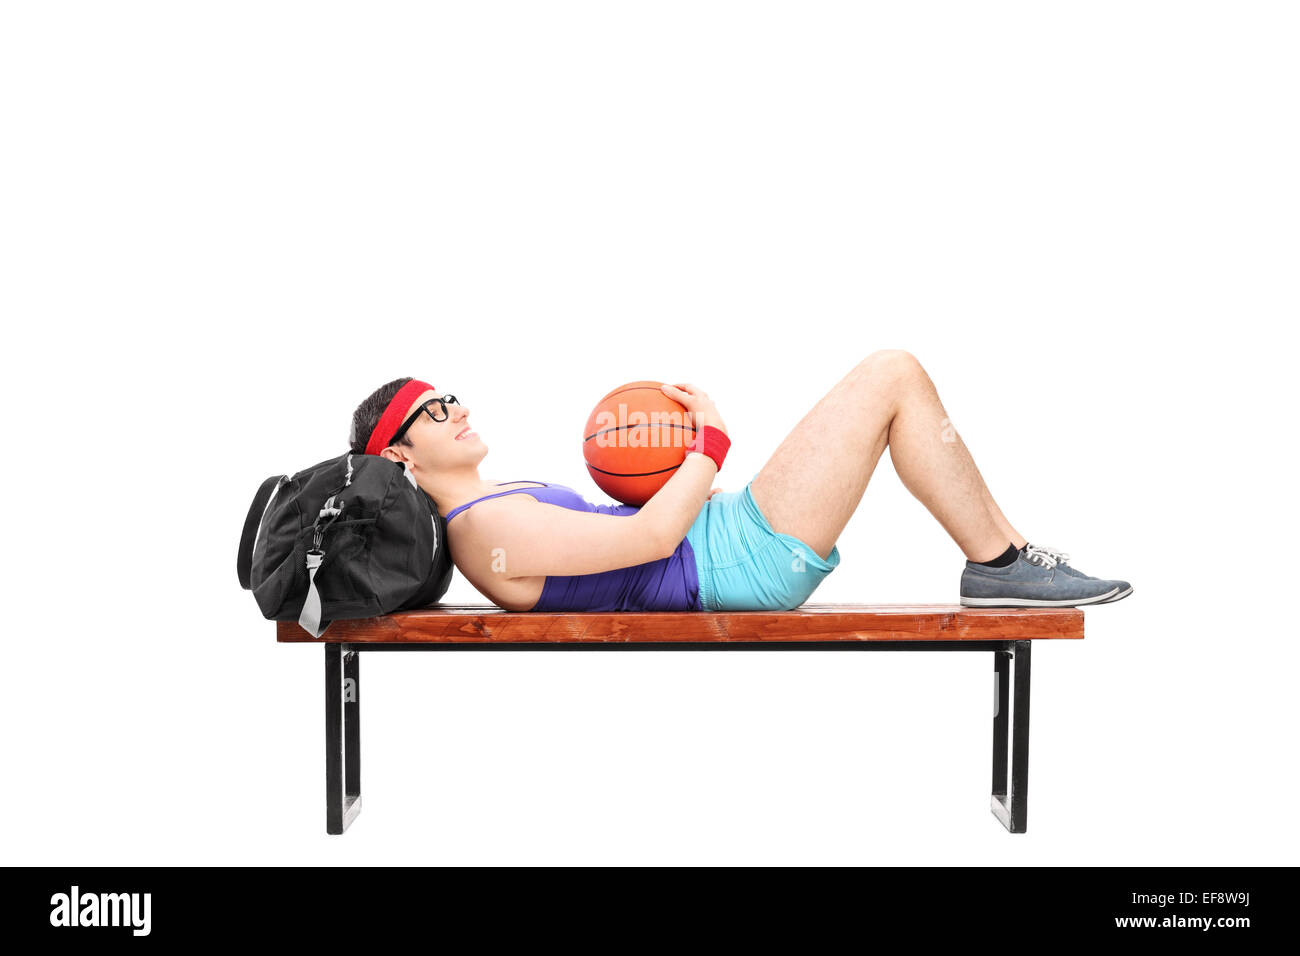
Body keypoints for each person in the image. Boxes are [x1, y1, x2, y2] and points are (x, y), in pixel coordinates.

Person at [348, 353, 1131, 612]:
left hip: (721, 540)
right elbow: (649, 540)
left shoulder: (491, 505)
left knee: (898, 378)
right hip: (733, 562)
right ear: (400, 458)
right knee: (892, 376)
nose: (457, 409)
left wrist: (675, 478)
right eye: (433, 411)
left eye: (450, 397)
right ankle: (1001, 566)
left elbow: (629, 536)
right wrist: (710, 444)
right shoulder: (484, 532)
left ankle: (1008, 557)